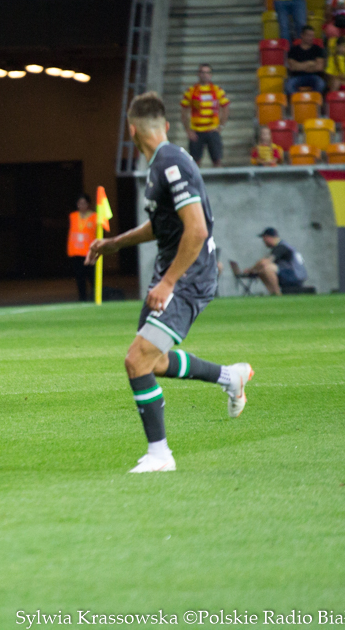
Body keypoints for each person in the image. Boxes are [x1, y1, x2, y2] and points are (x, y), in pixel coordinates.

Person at [86, 92, 252, 473]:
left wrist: (169, 282)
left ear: (131, 130)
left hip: (188, 276)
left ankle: (160, 455)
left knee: (136, 359)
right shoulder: (163, 162)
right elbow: (161, 226)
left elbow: (196, 229)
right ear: (165, 124)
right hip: (172, 273)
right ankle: (232, 377)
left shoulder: (171, 162)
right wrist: (114, 243)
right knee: (154, 361)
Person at [179, 63, 229, 167]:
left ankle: (218, 181)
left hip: (212, 131)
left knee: (217, 161)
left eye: (207, 72)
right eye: (202, 72)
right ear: (198, 74)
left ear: (211, 75)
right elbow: (184, 111)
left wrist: (221, 126)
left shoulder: (217, 90)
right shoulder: (191, 91)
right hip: (196, 132)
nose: (205, 75)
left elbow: (225, 108)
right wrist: (188, 130)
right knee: (195, 163)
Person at [243, 227, 308, 295]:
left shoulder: (282, 246)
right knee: (262, 270)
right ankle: (273, 293)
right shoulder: (283, 246)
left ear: (267, 237)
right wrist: (256, 269)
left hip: (295, 276)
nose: (263, 241)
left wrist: (251, 270)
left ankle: (277, 294)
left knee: (268, 268)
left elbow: (264, 262)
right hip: (292, 274)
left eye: (264, 238)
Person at [67, 193, 96, 302]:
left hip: (90, 252)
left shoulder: (95, 217)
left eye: (84, 203)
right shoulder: (73, 216)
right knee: (80, 277)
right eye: (79, 203)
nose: (82, 205)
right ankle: (82, 299)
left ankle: (95, 297)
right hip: (76, 252)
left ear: (88, 204)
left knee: (92, 277)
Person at [285, 26, 326, 95]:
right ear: (302, 35)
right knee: (288, 86)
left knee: (321, 84)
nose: (311, 38)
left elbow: (319, 67)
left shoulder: (317, 49)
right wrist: (310, 63)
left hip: (313, 77)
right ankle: (299, 102)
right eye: (309, 35)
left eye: (312, 36)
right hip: (297, 77)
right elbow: (292, 67)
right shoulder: (293, 50)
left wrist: (299, 66)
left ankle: (312, 101)